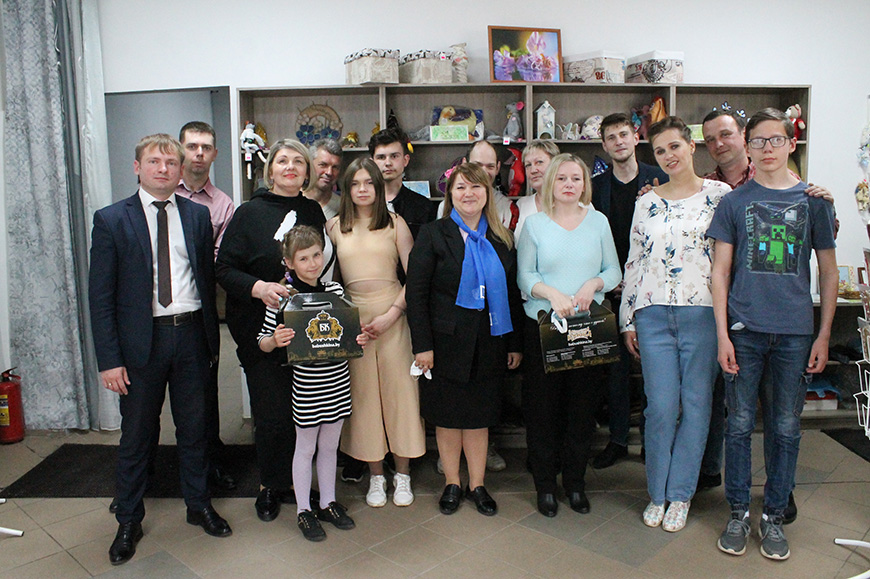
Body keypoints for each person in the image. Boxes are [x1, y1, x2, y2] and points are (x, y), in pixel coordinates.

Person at [89, 134, 231, 566]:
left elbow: (205, 279)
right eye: (154, 162)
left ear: (180, 169)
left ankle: (198, 505)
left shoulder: (197, 215)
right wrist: (109, 360)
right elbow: (101, 297)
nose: (164, 169)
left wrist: (210, 341)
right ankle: (128, 519)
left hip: (190, 336)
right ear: (138, 167)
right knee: (136, 435)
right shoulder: (112, 219)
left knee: (195, 429)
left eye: (171, 163)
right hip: (140, 343)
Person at [709, 108, 837, 561]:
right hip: (743, 331)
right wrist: (722, 336)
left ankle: (775, 515)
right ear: (747, 146)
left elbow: (828, 271)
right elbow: (720, 272)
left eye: (775, 140)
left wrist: (823, 335)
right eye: (758, 141)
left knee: (785, 428)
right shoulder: (733, 202)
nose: (767, 148)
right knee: (739, 425)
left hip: (795, 333)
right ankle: (739, 512)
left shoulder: (815, 201)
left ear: (790, 144)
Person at [620, 117, 731, 533]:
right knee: (661, 408)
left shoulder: (720, 196)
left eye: (674, 147)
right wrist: (627, 318)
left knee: (697, 405)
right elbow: (634, 261)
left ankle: (681, 494)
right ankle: (657, 493)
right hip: (652, 315)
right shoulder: (646, 201)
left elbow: (728, 260)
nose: (668, 156)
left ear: (691, 147)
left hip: (702, 313)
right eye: (660, 151)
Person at [216, 138, 327, 523]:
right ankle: (270, 484)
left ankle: (297, 483)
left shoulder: (312, 210)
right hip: (259, 328)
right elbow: (224, 269)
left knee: (304, 411)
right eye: (283, 161)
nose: (290, 167)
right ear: (271, 170)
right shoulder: (249, 213)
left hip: (305, 329)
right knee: (271, 413)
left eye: (298, 161)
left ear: (307, 171)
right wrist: (259, 288)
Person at [406, 164, 524, 516]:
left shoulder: (502, 238)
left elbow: (512, 296)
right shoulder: (433, 234)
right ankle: (452, 483)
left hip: (489, 342)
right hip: (444, 345)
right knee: (447, 418)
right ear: (450, 195)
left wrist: (514, 343)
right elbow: (416, 294)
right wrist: (422, 345)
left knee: (479, 417)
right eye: (460, 188)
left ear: (487, 193)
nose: (468, 194)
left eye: (476, 187)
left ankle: (478, 485)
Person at [517, 153, 621, 517]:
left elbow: (613, 270)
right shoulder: (535, 225)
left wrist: (593, 284)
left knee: (582, 409)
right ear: (550, 182)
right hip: (545, 328)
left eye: (576, 178)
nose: (569, 185)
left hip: (589, 329)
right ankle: (546, 485)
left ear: (585, 183)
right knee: (543, 410)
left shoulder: (598, 222)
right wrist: (552, 294)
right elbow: (524, 276)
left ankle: (575, 483)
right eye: (561, 178)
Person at [257, 225, 367, 541]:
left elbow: (350, 332)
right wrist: (275, 340)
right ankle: (304, 510)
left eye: (317, 255)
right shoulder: (282, 297)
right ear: (289, 262)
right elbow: (262, 340)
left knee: (330, 447)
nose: (312, 263)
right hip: (307, 386)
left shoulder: (335, 291)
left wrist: (358, 337)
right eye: (303, 258)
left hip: (337, 381)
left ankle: (328, 502)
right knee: (305, 449)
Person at [327, 157, 426, 508]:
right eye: (356, 183)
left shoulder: (396, 224)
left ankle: (403, 475)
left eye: (369, 183)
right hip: (354, 322)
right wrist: (344, 320)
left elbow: (416, 277)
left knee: (402, 394)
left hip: (394, 314)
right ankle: (376, 476)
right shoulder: (334, 227)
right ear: (347, 189)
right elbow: (328, 281)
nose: (363, 189)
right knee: (363, 398)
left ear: (379, 187)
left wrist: (393, 313)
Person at [590, 112, 669, 470]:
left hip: (654, 290)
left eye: (624, 134)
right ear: (604, 145)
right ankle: (618, 439)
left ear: (636, 137)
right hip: (612, 291)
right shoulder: (597, 187)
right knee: (615, 372)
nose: (619, 142)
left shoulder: (661, 178)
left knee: (655, 370)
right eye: (611, 137)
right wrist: (609, 278)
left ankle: (652, 441)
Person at [176, 121, 236, 491]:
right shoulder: (162, 193)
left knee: (204, 394)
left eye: (206, 147)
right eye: (192, 146)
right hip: (155, 313)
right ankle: (146, 472)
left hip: (200, 312)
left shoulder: (223, 204)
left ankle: (210, 464)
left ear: (215, 154)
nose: (199, 153)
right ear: (181, 149)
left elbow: (218, 261)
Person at [369, 127, 437, 239]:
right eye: (381, 157)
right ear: (372, 163)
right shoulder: (362, 204)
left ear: (405, 160)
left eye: (394, 156)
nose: (388, 163)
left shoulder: (423, 207)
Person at [437, 140, 516, 230]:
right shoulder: (445, 206)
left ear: (497, 168)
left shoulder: (506, 206)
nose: (484, 172)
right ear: (464, 163)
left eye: (490, 166)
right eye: (477, 165)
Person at [513, 139, 560, 240]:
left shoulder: (577, 203)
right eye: (528, 165)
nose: (533, 170)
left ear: (555, 165)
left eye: (539, 162)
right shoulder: (522, 205)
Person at [304, 138, 343, 221]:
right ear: (309, 166)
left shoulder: (343, 207)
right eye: (323, 165)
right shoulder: (292, 201)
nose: (329, 172)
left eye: (335, 167)